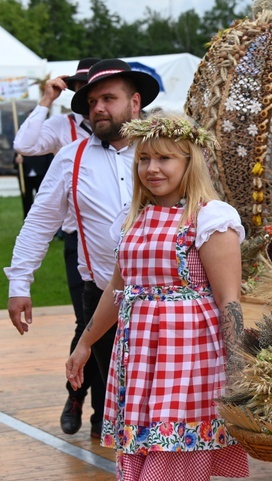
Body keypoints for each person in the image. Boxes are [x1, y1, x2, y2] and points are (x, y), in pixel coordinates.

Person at [65, 114, 250, 481]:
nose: (151, 168)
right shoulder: (133, 218)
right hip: (141, 361)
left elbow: (228, 299)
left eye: (164, 159)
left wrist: (238, 368)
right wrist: (85, 343)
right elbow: (118, 287)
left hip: (187, 361)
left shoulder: (210, 218)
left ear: (188, 162)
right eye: (144, 159)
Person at [4, 59, 160, 440]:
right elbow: (39, 224)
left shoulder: (164, 153)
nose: (99, 108)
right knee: (121, 399)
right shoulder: (70, 158)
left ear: (135, 102)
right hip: (105, 298)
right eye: (92, 102)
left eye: (109, 98)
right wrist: (19, 285)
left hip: (167, 299)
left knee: (164, 400)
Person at [11, 57, 103, 438]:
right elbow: (24, 143)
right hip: (75, 241)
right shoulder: (63, 128)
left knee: (122, 329)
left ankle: (105, 412)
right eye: (82, 87)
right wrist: (46, 99)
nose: (91, 97)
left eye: (101, 91)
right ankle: (77, 395)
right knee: (88, 323)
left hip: (125, 248)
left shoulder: (137, 134)